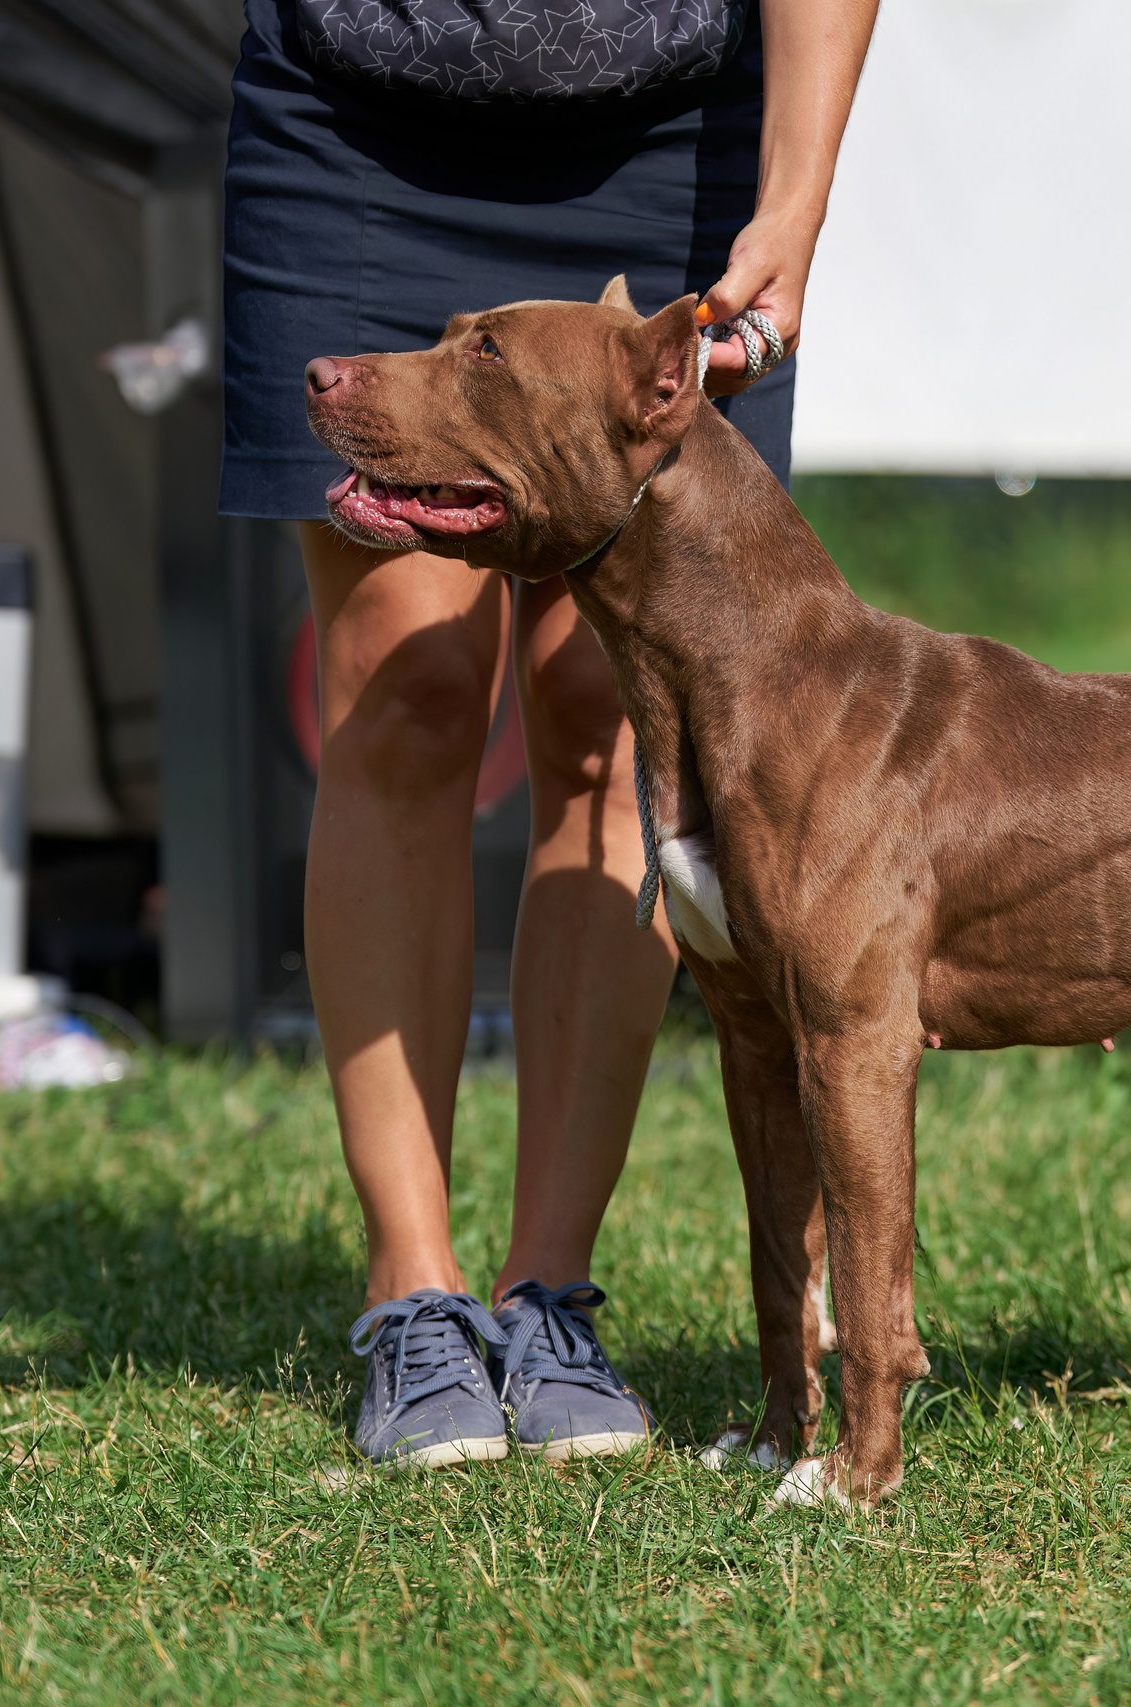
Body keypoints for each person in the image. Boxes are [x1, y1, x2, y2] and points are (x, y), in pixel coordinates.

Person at [220, 0, 877, 1467]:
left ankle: (545, 1294)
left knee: (609, 711)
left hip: (663, 137)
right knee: (409, 682)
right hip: (360, 125)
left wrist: (794, 196)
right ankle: (412, 1291)